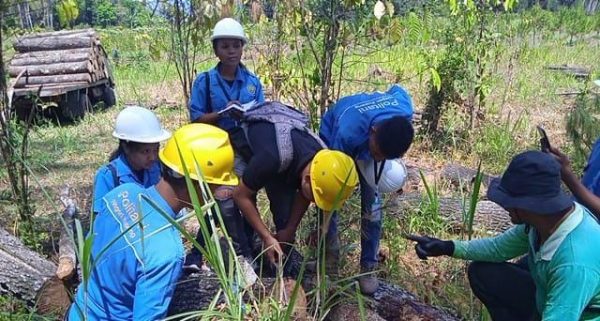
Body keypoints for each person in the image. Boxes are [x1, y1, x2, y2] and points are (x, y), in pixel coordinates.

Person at [67, 123, 239, 321]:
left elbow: (91, 252)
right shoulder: (166, 252)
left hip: (78, 311)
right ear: (198, 184)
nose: (214, 194)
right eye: (215, 186)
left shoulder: (121, 194)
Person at [407, 151, 600, 321]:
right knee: (483, 273)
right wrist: (447, 246)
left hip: (573, 312)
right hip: (547, 299)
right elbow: (498, 248)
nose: (504, 206)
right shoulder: (542, 223)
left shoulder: (574, 264)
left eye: (508, 201)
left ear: (529, 204)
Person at [232, 101, 359, 267]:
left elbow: (304, 194)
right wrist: (267, 237)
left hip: (284, 161)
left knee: (285, 216)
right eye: (315, 197)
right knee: (232, 207)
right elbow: (240, 195)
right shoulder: (272, 158)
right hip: (245, 145)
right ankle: (244, 256)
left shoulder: (323, 159)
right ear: (307, 179)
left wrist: (290, 230)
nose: (314, 202)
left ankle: (281, 264)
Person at [56, 106, 171, 281]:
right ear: (126, 147)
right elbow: (102, 224)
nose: (152, 157)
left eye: (156, 149)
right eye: (145, 151)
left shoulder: (157, 169)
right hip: (117, 250)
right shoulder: (108, 176)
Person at [318, 84, 414, 294]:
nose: (378, 158)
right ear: (374, 131)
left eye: (384, 157)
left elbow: (398, 89)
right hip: (335, 136)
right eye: (377, 152)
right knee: (329, 197)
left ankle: (368, 267)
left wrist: (378, 155)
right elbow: (332, 192)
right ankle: (330, 262)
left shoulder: (405, 109)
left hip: (368, 136)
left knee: (373, 207)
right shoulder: (346, 132)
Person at [186, 17, 265, 269]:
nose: (231, 51)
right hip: (213, 150)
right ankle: (243, 253)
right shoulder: (205, 81)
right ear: (216, 50)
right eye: (225, 46)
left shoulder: (252, 83)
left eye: (236, 46)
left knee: (240, 197)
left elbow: (262, 114)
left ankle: (242, 248)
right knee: (221, 200)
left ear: (242, 47)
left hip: (244, 149)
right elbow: (195, 118)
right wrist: (221, 114)